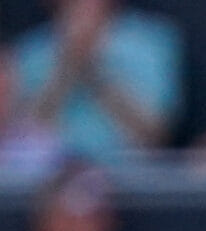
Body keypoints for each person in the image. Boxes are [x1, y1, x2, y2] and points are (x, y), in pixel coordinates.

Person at [9, 0, 179, 165]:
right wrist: (68, 66)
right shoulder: (28, 51)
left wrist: (92, 69)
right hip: (48, 180)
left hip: (127, 178)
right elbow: (22, 136)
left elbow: (154, 135)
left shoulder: (151, 41)